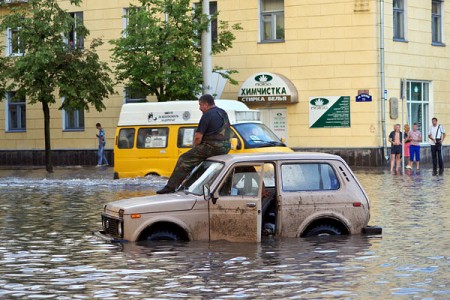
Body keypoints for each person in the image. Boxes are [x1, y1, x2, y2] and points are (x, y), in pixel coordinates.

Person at [156, 94, 231, 194]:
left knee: (184, 159)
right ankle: (189, 185)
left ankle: (170, 187)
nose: (200, 108)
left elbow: (198, 137)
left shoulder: (207, 115)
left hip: (212, 147)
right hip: (225, 147)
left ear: (206, 104)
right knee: (201, 164)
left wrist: (195, 148)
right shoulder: (222, 113)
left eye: (200, 105)